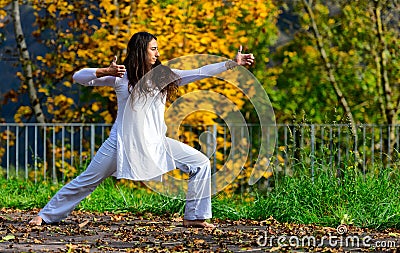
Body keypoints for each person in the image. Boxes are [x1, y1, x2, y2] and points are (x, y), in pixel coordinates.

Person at [29, 32, 255, 228]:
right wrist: (103, 70)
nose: (157, 53)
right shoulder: (121, 76)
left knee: (200, 163)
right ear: (140, 50)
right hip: (121, 144)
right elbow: (78, 77)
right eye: (153, 49)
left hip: (157, 143)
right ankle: (46, 215)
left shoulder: (164, 75)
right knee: (87, 180)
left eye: (157, 49)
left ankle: (195, 217)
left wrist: (231, 63)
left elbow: (200, 71)